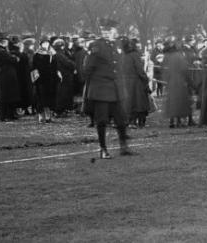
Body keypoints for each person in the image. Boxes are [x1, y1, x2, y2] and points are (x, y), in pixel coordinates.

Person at [82, 18, 133, 159]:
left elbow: (119, 65)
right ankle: (103, 149)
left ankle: (124, 147)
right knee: (102, 120)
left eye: (109, 30)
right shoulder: (96, 45)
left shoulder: (117, 44)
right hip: (101, 89)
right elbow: (88, 68)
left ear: (115, 31)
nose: (106, 32)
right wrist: (93, 85)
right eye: (104, 30)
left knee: (121, 120)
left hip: (116, 89)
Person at [163, 38, 194, 128]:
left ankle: (172, 121)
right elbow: (185, 70)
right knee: (181, 102)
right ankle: (180, 121)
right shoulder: (179, 56)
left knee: (172, 102)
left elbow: (164, 69)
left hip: (170, 81)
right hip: (180, 81)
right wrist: (191, 83)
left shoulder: (167, 56)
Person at [122, 38, 152, 128]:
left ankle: (131, 121)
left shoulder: (124, 55)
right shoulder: (135, 55)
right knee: (140, 103)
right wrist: (145, 79)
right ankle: (141, 122)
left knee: (130, 102)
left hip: (127, 82)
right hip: (137, 82)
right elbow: (140, 70)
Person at [31, 37, 59, 123]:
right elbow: (33, 67)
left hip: (50, 79)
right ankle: (41, 115)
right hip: (41, 80)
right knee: (40, 97)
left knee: (49, 98)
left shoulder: (53, 54)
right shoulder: (37, 54)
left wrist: (57, 75)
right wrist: (35, 78)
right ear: (41, 44)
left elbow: (56, 66)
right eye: (44, 43)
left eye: (47, 43)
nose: (46, 44)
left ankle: (48, 116)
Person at [0, 33, 21, 121]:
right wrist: (14, 58)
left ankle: (10, 114)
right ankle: (5, 116)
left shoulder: (2, 50)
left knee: (10, 96)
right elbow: (13, 59)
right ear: (2, 41)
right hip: (5, 77)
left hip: (7, 76)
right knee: (5, 98)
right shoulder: (1, 51)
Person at [51, 37, 76, 117]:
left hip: (60, 76)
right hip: (64, 77)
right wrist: (73, 64)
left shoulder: (56, 54)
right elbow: (69, 64)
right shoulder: (59, 55)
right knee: (62, 94)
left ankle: (61, 110)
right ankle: (60, 110)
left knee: (61, 94)